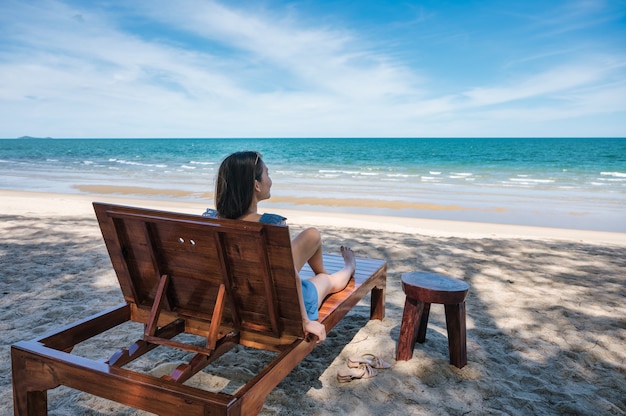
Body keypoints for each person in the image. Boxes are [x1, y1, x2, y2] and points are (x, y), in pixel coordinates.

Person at [203, 151, 356, 343]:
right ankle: (348, 266)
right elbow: (289, 275)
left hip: (233, 302)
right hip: (277, 309)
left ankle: (321, 274)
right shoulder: (268, 226)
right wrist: (304, 321)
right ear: (256, 185)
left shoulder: (210, 221)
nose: (271, 180)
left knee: (312, 234)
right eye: (267, 174)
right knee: (327, 281)